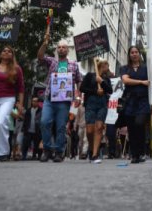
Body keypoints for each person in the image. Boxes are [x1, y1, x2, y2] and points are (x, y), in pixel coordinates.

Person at [37, 33, 82, 163]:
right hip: (50, 99)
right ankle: (46, 150)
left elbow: (78, 81)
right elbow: (40, 56)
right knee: (45, 122)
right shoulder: (52, 61)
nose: (61, 49)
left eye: (64, 47)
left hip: (64, 101)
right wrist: (45, 43)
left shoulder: (74, 65)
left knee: (61, 127)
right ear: (57, 49)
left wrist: (78, 96)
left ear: (67, 50)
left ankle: (58, 151)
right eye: (59, 47)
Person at [120, 46, 151, 164]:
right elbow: (126, 81)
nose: (134, 54)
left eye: (136, 52)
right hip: (130, 101)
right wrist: (141, 82)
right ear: (129, 55)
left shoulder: (146, 69)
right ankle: (134, 154)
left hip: (143, 101)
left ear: (139, 54)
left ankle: (141, 151)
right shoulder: (124, 68)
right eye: (132, 52)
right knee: (131, 129)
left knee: (139, 124)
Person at [80, 59, 113, 164]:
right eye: (106, 65)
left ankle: (95, 154)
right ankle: (91, 147)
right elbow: (82, 88)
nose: (107, 68)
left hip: (102, 105)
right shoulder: (90, 75)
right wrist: (95, 91)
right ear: (100, 66)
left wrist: (101, 82)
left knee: (99, 128)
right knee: (89, 131)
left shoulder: (106, 79)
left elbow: (110, 90)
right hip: (90, 104)